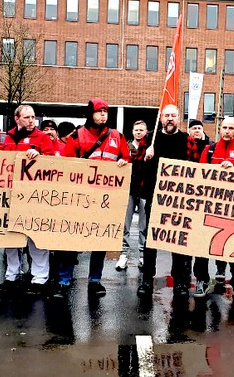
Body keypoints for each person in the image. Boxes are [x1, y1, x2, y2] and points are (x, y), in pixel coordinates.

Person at [55, 99, 129, 300]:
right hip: (81, 198)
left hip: (106, 199)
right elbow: (67, 165)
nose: (103, 115)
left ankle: (95, 280)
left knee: (101, 239)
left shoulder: (117, 136)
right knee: (72, 239)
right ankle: (64, 279)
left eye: (106, 111)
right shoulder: (77, 136)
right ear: (91, 114)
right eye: (99, 111)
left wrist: (123, 162)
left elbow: (126, 160)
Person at [137, 104, 200, 298]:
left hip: (180, 200)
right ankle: (147, 279)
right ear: (161, 118)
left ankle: (180, 281)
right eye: (166, 116)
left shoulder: (187, 140)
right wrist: (145, 157)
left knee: (179, 240)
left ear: (179, 118)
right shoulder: (149, 140)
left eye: (173, 115)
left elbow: (197, 167)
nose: (170, 119)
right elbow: (136, 166)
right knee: (151, 239)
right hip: (155, 196)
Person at [0, 105, 55, 297]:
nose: (32, 121)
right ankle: (11, 275)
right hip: (12, 194)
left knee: (36, 237)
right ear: (17, 118)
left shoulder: (43, 138)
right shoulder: (8, 137)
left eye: (33, 117)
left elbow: (53, 163)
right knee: (11, 237)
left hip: (35, 195)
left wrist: (40, 156)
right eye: (27, 117)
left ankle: (39, 278)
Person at [194, 116, 234, 301]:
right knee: (203, 245)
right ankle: (202, 280)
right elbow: (200, 176)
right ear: (219, 130)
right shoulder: (209, 150)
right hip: (211, 207)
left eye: (231, 128)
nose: (227, 131)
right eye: (224, 128)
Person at [117, 120, 150, 271]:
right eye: (136, 130)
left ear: (146, 131)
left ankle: (142, 255)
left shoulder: (150, 147)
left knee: (143, 225)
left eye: (141, 130)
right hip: (128, 190)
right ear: (132, 131)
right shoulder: (125, 146)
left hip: (144, 190)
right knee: (125, 224)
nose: (138, 132)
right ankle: (124, 254)